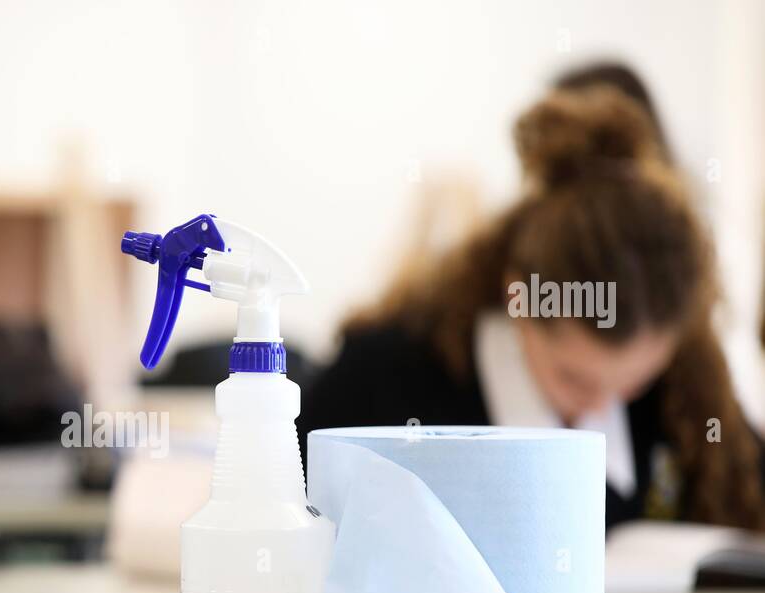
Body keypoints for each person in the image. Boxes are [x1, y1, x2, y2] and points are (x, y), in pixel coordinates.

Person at [298, 87, 765, 533]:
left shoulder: (682, 393)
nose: (600, 407)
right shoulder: (380, 380)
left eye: (631, 384)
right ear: (518, 300)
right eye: (573, 378)